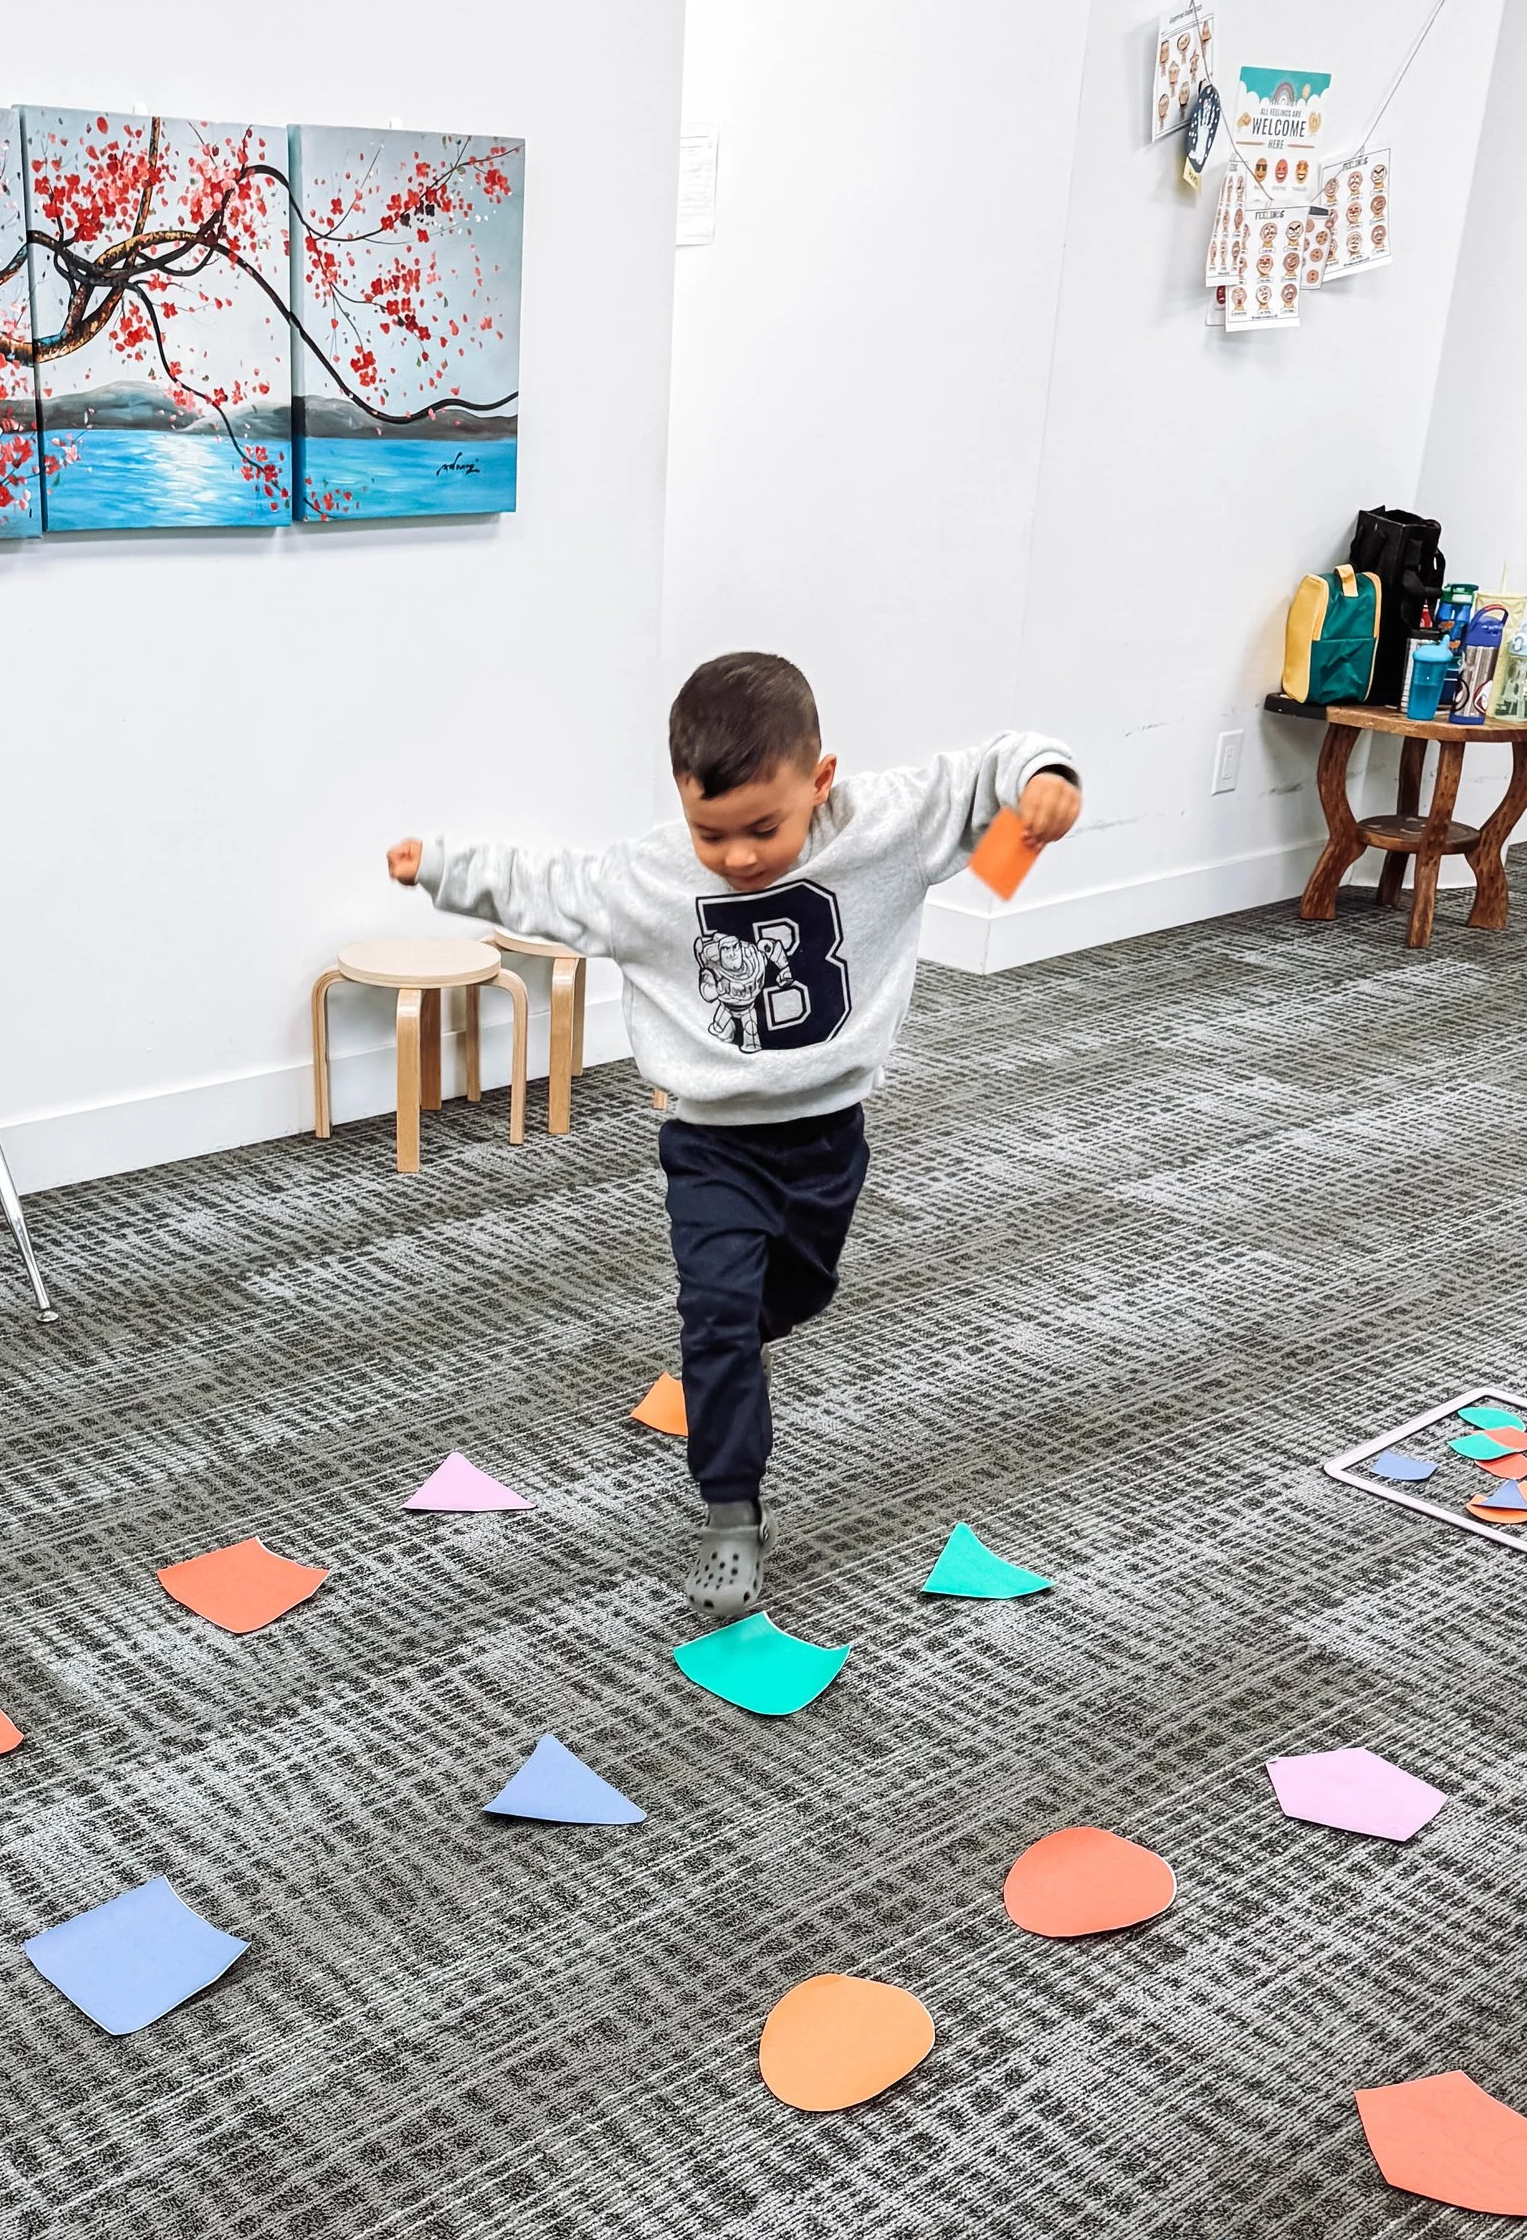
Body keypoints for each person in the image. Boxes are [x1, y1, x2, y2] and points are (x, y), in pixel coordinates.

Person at [388, 650, 1081, 1614]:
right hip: (710, 1141)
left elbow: (987, 769)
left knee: (794, 1294)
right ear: (680, 799)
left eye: (765, 827)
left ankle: (731, 1350)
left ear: (820, 780)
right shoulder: (655, 878)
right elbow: (551, 885)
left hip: (829, 1136)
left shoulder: (880, 827)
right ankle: (729, 1515)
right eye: (712, 833)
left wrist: (1045, 781)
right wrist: (444, 868)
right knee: (715, 1315)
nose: (740, 857)